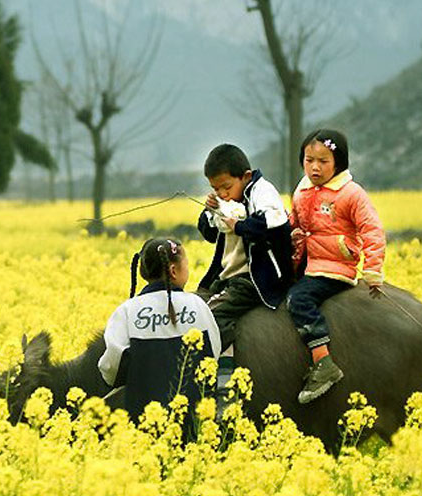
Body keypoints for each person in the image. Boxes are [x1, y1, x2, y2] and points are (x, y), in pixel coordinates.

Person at [288, 128, 385, 404]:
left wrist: (373, 270)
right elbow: (295, 220)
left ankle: (324, 363)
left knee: (299, 299)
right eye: (309, 160)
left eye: (323, 161)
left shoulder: (350, 193)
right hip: (307, 262)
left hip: (334, 267)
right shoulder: (303, 189)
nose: (315, 167)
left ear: (339, 163)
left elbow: (372, 230)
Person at [196, 144, 293, 417]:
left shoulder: (263, 192)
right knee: (193, 307)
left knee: (213, 315)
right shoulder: (227, 199)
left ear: (245, 176)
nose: (223, 193)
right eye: (216, 189)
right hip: (226, 277)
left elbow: (273, 225)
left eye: (226, 187)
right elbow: (208, 233)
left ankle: (224, 380)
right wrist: (210, 210)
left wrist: (238, 223)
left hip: (255, 279)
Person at [98, 238, 221, 428]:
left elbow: (110, 369)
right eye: (186, 264)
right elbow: (214, 354)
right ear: (173, 271)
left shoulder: (127, 311)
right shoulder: (198, 305)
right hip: (194, 424)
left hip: (143, 425)